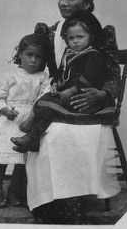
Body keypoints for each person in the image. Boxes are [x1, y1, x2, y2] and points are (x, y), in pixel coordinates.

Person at [23, 0, 122, 225]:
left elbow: (112, 74)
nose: (65, 3)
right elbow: (33, 68)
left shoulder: (100, 32)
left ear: (87, 3)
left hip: (92, 100)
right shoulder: (50, 32)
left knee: (69, 135)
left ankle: (75, 202)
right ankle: (48, 203)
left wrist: (104, 94)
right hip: (62, 98)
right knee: (51, 134)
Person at [11, 10, 116, 153]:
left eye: (80, 37)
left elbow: (88, 77)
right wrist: (55, 83)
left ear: (90, 37)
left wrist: (72, 90)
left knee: (49, 104)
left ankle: (31, 133)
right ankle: (33, 138)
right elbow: (60, 72)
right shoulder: (68, 53)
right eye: (71, 38)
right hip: (66, 94)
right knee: (45, 98)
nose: (76, 41)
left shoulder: (93, 56)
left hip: (82, 98)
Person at [0, 32, 50, 208]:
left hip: (29, 120)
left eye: (38, 57)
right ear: (20, 54)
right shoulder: (10, 76)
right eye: (29, 55)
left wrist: (34, 115)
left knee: (22, 160)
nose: (33, 60)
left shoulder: (43, 77)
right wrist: (4, 110)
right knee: (2, 158)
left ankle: (15, 192)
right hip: (9, 121)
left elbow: (44, 97)